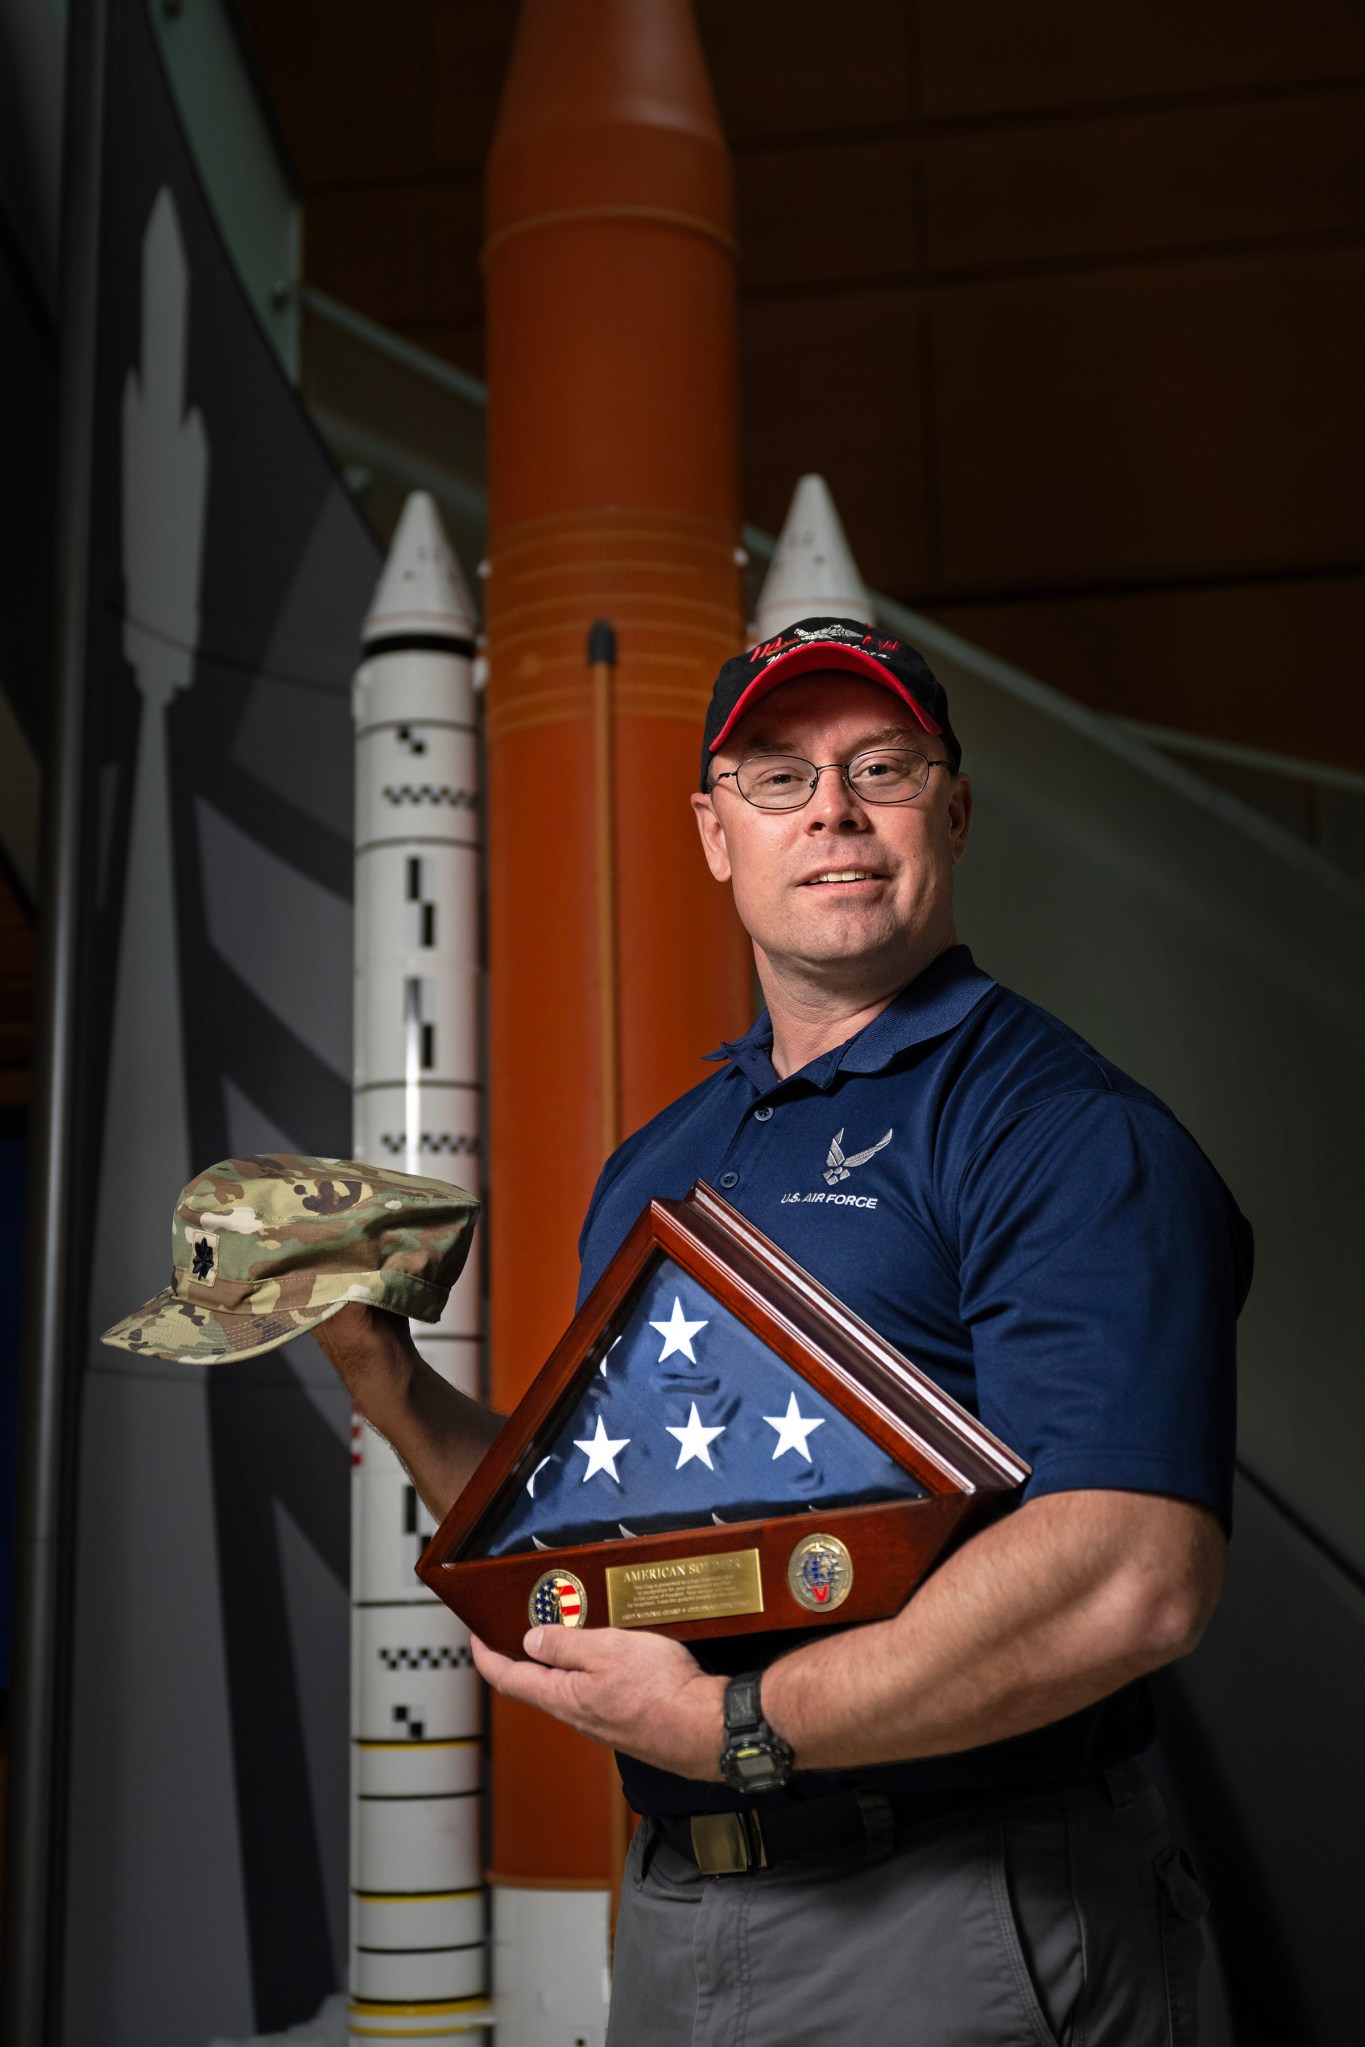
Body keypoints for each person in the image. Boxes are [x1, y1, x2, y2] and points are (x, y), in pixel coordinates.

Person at [316, 617, 1251, 2045]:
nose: (831, 809)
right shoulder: (663, 1161)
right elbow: (582, 1552)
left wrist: (732, 1728)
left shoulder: (1056, 1132)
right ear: (712, 831)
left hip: (957, 1908)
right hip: (683, 1915)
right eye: (776, 775)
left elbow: (1130, 1577)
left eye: (879, 765)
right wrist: (391, 1387)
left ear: (951, 805)